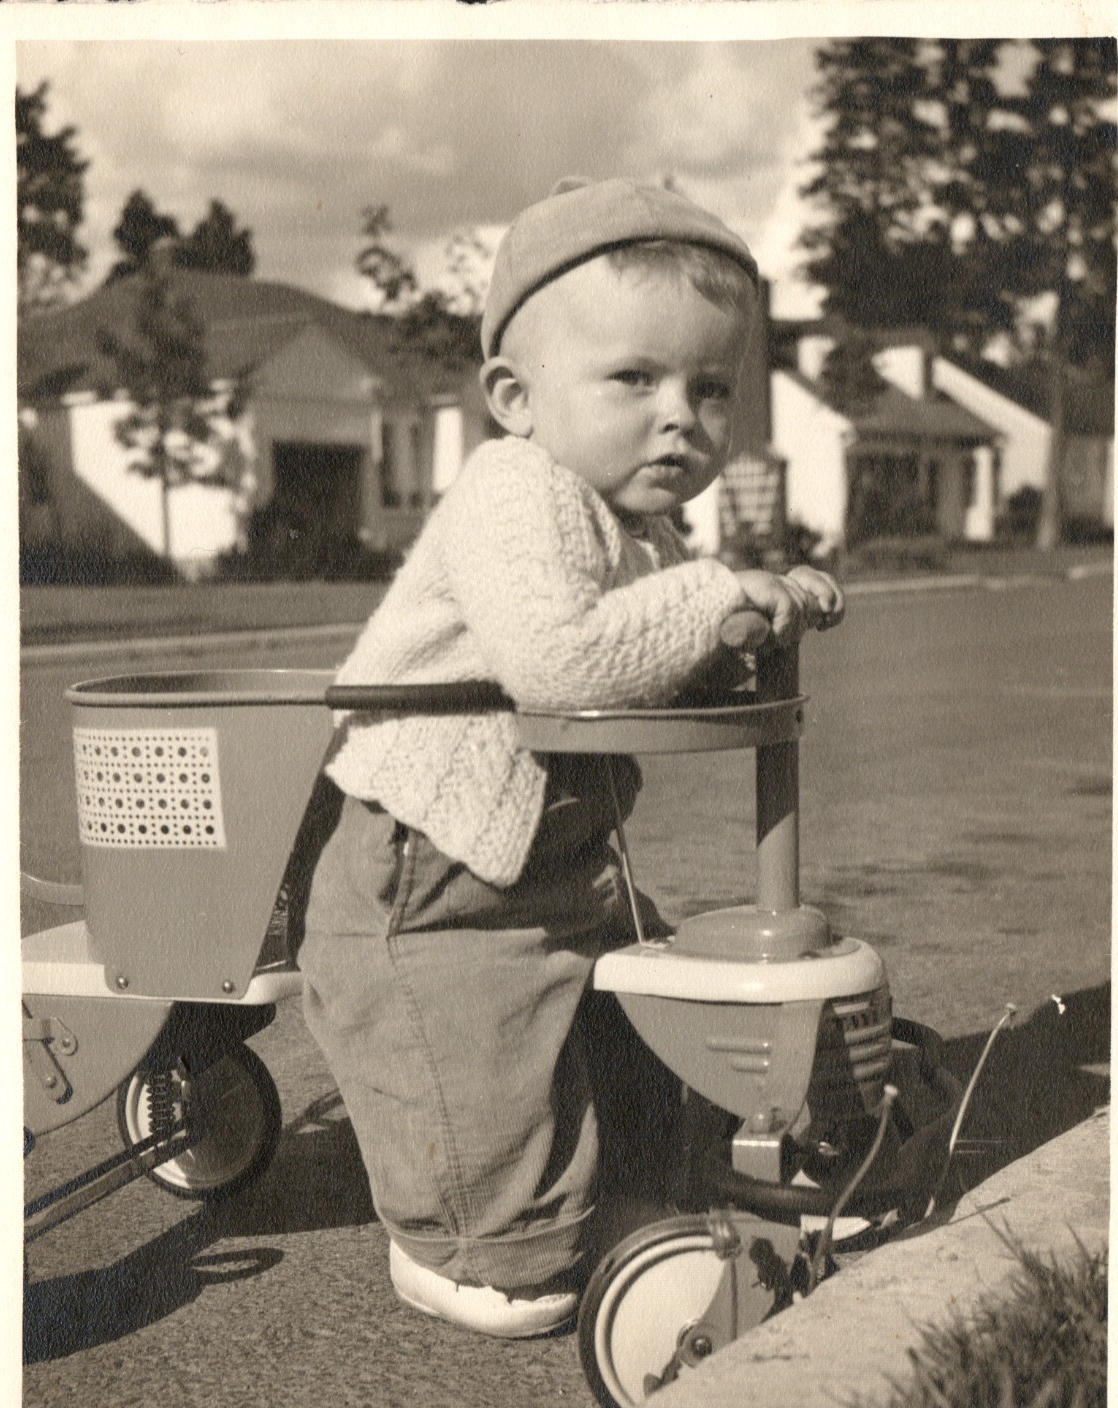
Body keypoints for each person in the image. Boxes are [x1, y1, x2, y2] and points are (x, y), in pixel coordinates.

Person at [296, 178, 844, 1338]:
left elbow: (649, 652)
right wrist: (710, 601)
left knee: (615, 1002)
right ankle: (477, 1242)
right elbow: (561, 661)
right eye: (635, 379)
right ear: (516, 397)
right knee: (479, 1039)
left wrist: (740, 620)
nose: (682, 417)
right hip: (432, 866)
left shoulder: (635, 526)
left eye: (709, 387)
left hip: (554, 847)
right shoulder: (516, 489)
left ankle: (660, 1165)